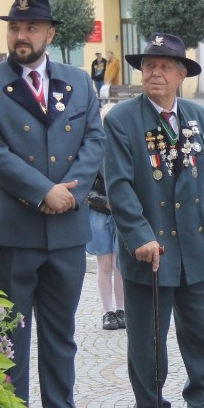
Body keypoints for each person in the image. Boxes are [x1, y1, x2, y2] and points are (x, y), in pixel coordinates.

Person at [0, 0, 112, 408]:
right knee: (12, 334)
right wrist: (43, 191)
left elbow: (94, 138)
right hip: (14, 233)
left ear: (50, 34)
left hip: (66, 232)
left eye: (30, 29)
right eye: (14, 28)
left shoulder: (77, 81)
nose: (20, 36)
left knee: (60, 333)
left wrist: (69, 192)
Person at [103, 32, 204, 408]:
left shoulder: (200, 117)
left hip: (196, 246)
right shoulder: (122, 120)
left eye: (164, 66)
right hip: (151, 250)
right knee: (148, 338)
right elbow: (120, 187)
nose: (155, 73)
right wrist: (139, 236)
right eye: (148, 66)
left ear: (183, 74)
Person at [86, 103, 124, 331]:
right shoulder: (94, 148)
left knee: (120, 263)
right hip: (99, 211)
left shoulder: (127, 145)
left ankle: (122, 309)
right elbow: (85, 184)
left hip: (121, 211)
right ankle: (107, 311)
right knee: (105, 263)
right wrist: (102, 201)